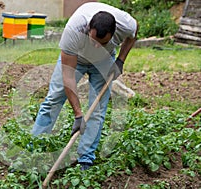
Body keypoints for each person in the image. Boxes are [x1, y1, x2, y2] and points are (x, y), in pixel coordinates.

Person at [31, 2, 138, 170]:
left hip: (103, 62)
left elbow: (134, 34)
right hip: (76, 59)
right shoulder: (74, 30)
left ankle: (86, 159)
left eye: (102, 43)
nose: (96, 46)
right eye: (93, 40)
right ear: (88, 28)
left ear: (113, 33)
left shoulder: (125, 24)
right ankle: (33, 150)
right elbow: (68, 77)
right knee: (53, 99)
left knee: (97, 111)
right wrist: (78, 115)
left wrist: (120, 61)